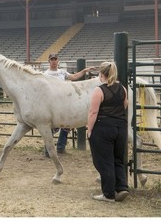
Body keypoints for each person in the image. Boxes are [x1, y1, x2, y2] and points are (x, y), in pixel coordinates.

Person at [87, 61, 129, 203]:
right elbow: (124, 105)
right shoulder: (122, 89)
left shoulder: (99, 90)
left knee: (105, 161)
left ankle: (109, 194)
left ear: (101, 74)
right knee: (118, 159)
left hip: (104, 128)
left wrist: (90, 130)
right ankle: (122, 187)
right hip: (121, 127)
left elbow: (93, 112)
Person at [43, 53, 95, 156]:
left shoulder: (62, 72)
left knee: (66, 125)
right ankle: (48, 150)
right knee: (51, 127)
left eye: (55, 59)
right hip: (52, 103)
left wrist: (84, 71)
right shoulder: (45, 74)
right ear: (49, 61)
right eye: (52, 59)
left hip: (64, 102)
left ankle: (60, 147)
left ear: (58, 61)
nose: (54, 61)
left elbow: (74, 76)